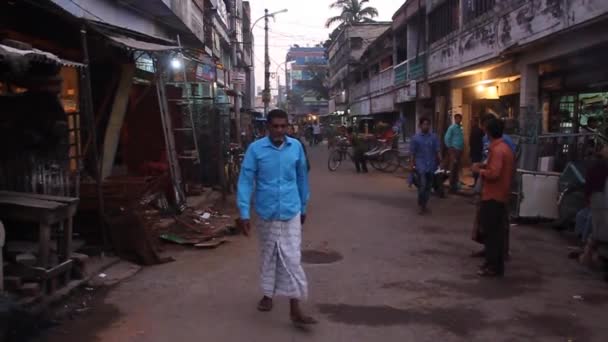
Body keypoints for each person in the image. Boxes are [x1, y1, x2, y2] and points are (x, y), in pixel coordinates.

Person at [237, 109, 316, 326]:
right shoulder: (255, 150)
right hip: (266, 212)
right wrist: (244, 213)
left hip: (291, 210)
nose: (280, 130)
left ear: (288, 127)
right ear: (268, 127)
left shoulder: (296, 147)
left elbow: (302, 178)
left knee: (291, 258)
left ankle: (295, 308)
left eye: (283, 126)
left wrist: (303, 207)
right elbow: (245, 181)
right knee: (269, 255)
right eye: (275, 126)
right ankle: (267, 294)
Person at [472, 118, 515, 277]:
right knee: (494, 232)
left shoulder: (498, 150)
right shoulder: (504, 147)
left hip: (493, 196)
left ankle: (493, 266)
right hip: (499, 194)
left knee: (492, 233)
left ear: (489, 132)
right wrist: (484, 166)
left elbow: (494, 173)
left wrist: (480, 171)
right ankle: (493, 264)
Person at [578, 146, 608, 267]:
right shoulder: (604, 168)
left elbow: (588, 185)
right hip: (603, 200)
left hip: (596, 200)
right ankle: (592, 257)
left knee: (597, 232)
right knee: (600, 233)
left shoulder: (594, 166)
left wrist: (587, 198)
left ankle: (587, 257)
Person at [410, 117, 442, 215]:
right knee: (423, 185)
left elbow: (437, 150)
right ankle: (421, 204)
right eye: (424, 124)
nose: (426, 126)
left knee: (428, 186)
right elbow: (412, 153)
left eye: (428, 124)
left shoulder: (434, 137)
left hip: (431, 165)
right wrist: (412, 164)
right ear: (420, 125)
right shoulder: (415, 138)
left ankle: (424, 205)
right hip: (421, 165)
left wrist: (441, 161)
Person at [444, 114, 464, 193]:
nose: (458, 120)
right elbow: (446, 138)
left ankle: (455, 185)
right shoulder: (452, 128)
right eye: (457, 118)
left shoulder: (460, 128)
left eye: (460, 118)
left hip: (459, 150)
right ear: (455, 119)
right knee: (452, 168)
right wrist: (450, 148)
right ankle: (451, 186)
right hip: (454, 150)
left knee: (456, 168)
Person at [470, 116, 485, 185]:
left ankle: (476, 183)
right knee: (475, 167)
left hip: (477, 152)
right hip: (475, 151)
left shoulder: (479, 130)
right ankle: (475, 182)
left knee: (476, 168)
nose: (471, 123)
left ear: (476, 122)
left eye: (472, 121)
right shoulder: (474, 130)